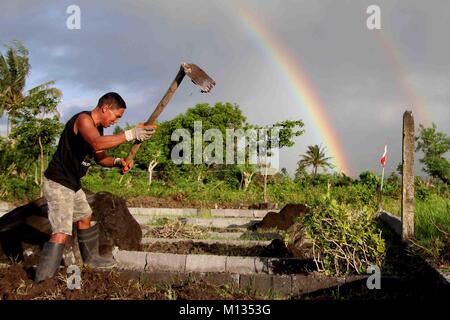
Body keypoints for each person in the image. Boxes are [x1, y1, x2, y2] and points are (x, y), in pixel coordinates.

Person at [35, 92, 156, 282]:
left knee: (84, 216)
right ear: (105, 108)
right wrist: (131, 134)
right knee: (61, 233)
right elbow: (96, 142)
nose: (116, 121)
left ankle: (91, 259)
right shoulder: (83, 120)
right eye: (117, 116)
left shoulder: (98, 130)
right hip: (58, 183)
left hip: (72, 184)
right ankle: (42, 280)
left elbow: (101, 158)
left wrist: (118, 161)